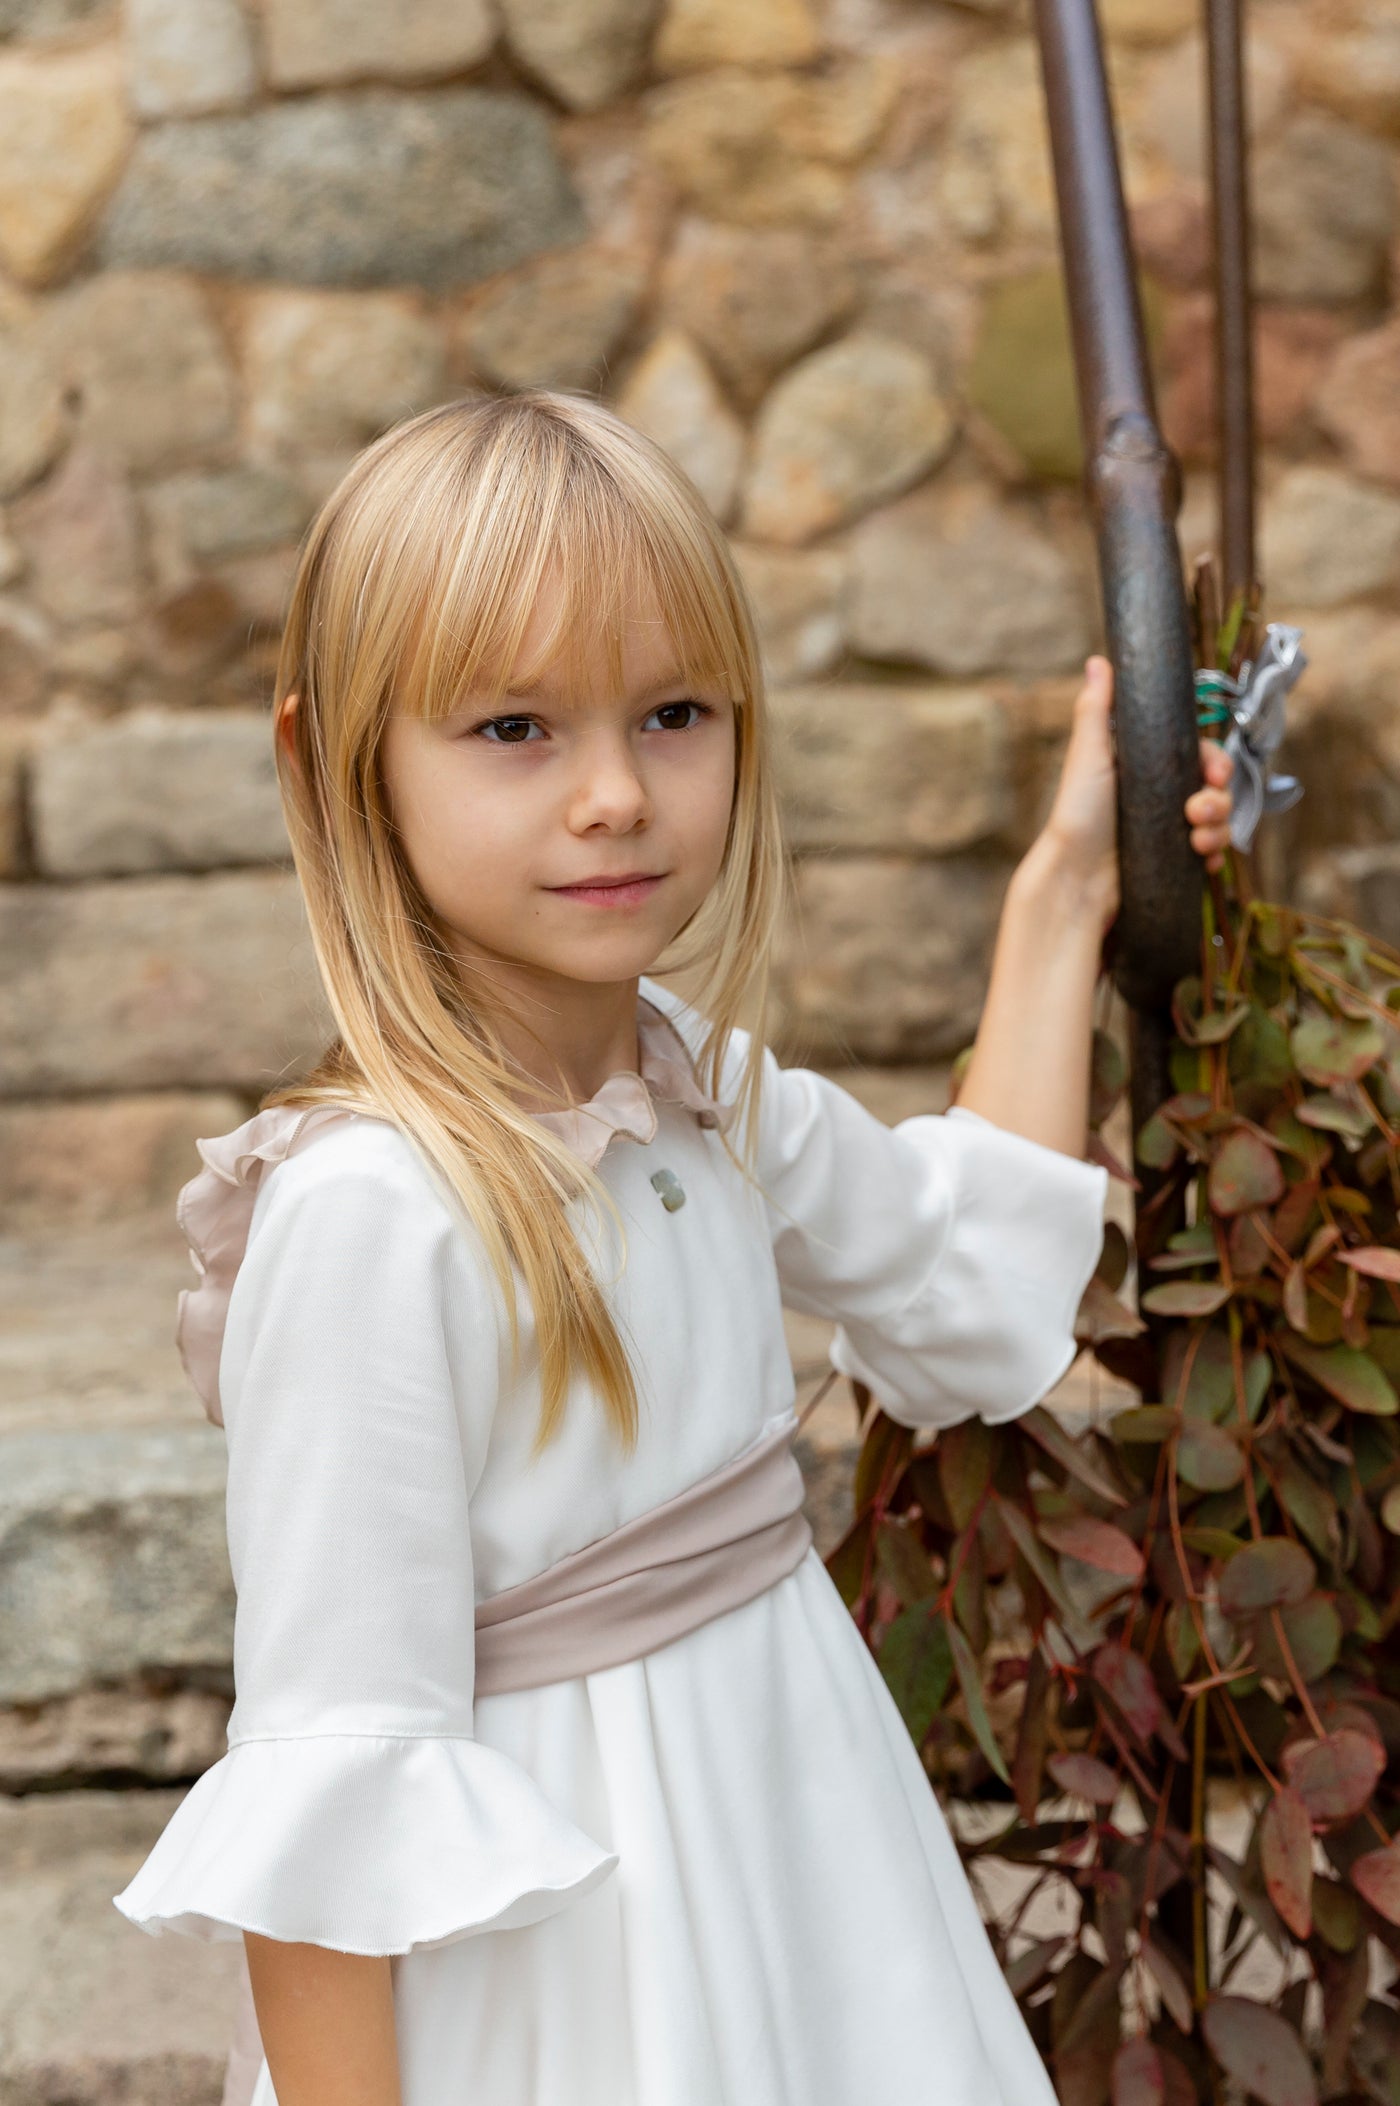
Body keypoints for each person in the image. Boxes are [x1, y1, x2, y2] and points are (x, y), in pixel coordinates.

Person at [111, 391, 1235, 2106]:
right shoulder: (371, 1216)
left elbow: (956, 1264)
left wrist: (1070, 892)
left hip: (807, 1882)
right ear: (336, 760)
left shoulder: (697, 1088)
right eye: (513, 727)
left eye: (674, 712)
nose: (617, 794)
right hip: (574, 1978)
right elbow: (336, 1778)